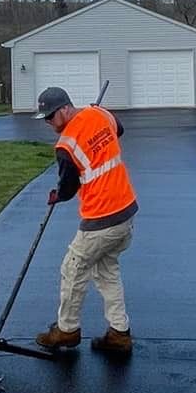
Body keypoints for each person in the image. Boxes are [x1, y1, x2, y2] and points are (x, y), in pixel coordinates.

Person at [32, 86, 138, 355]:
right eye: (43, 118)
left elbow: (67, 188)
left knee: (73, 269)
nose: (47, 123)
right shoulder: (100, 113)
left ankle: (66, 330)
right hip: (125, 212)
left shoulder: (66, 145)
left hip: (101, 217)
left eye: (50, 116)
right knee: (106, 272)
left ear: (66, 109)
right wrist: (95, 121)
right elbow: (119, 130)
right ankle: (119, 333)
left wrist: (57, 195)